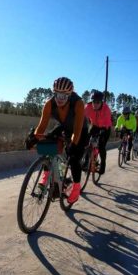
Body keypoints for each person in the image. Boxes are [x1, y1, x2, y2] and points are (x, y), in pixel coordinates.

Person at [25, 77, 89, 205]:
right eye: (57, 94)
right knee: (47, 144)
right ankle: (47, 176)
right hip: (64, 126)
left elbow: (76, 131)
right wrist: (33, 139)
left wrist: (73, 144)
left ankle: (76, 188)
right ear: (54, 92)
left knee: (74, 157)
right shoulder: (49, 103)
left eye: (64, 96)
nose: (60, 99)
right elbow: (41, 126)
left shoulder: (78, 103)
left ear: (70, 95)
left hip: (80, 129)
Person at [84, 90, 112, 174]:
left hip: (105, 127)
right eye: (93, 102)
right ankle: (86, 162)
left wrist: (102, 133)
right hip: (95, 125)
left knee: (101, 146)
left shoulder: (106, 109)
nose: (95, 104)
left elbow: (107, 122)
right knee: (87, 143)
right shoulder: (88, 107)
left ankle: (103, 164)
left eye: (98, 102)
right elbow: (81, 117)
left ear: (101, 102)